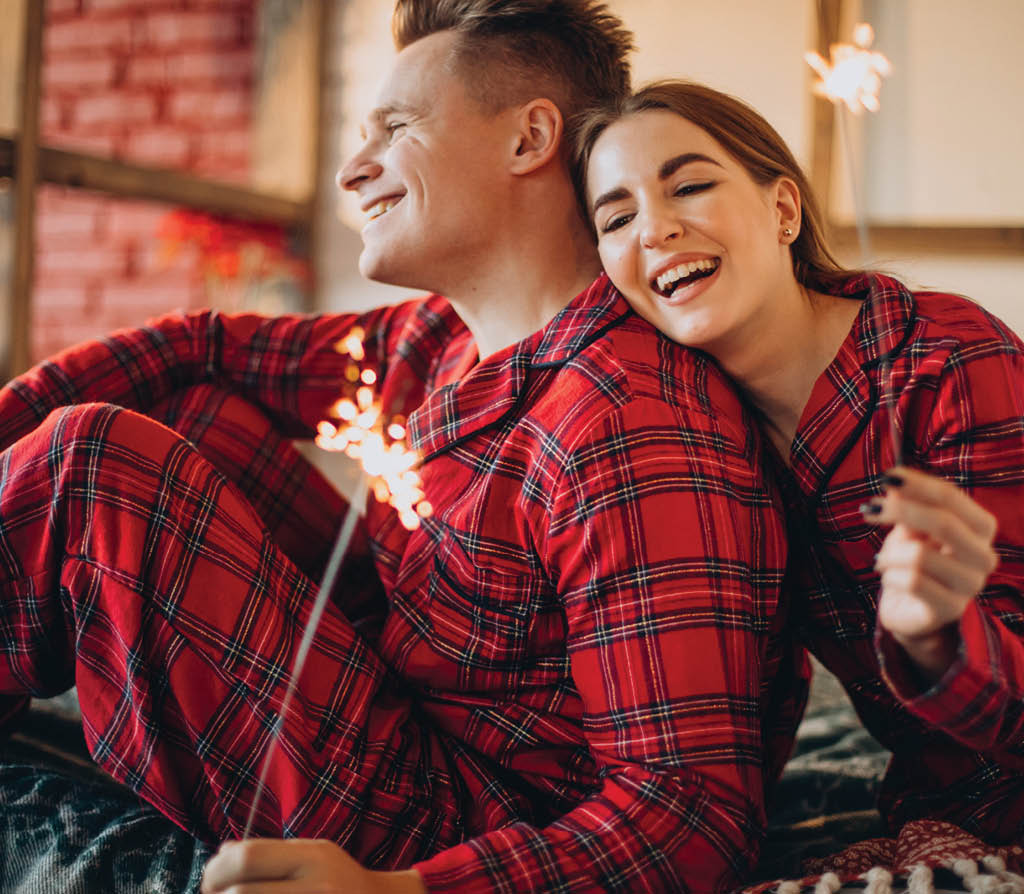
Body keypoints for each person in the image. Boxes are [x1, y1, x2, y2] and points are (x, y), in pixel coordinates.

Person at [0, 8, 806, 894]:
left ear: (529, 138)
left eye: (396, 129)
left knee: (95, 463)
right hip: (407, 695)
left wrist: (399, 891)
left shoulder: (627, 423)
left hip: (471, 814)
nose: (352, 170)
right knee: (193, 414)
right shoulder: (433, 338)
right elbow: (202, 345)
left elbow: (690, 817)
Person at [574, 79, 1024, 848]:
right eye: (617, 218)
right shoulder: (681, 434)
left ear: (784, 211)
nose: (654, 230)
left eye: (689, 185)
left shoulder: (947, 359)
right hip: (925, 804)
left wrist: (935, 635)